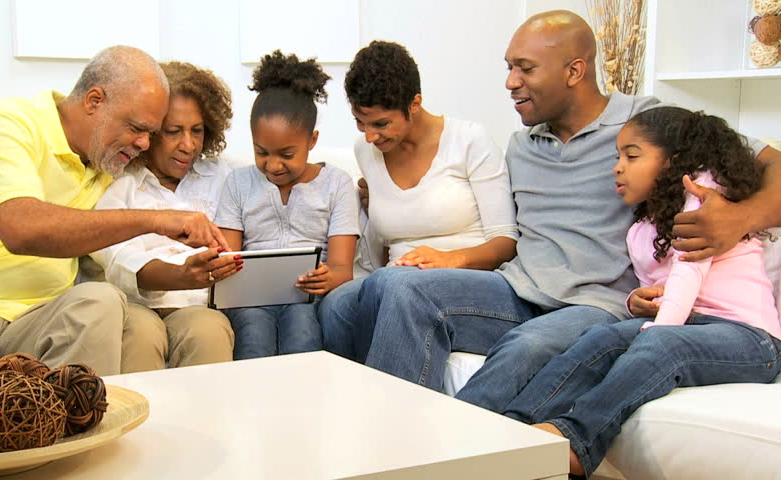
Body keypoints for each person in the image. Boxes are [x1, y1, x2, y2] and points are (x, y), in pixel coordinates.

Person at [341, 10, 781, 398]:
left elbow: (768, 162)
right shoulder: (520, 145)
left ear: (574, 71)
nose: (510, 82)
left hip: (597, 304)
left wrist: (740, 216)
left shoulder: (646, 124)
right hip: (515, 290)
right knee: (398, 286)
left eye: (525, 68)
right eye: (509, 67)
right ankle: (393, 449)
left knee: (526, 347)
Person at [499, 107, 781, 477]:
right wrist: (637, 303)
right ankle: (512, 428)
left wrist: (660, 327)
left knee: (662, 345)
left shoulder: (704, 197)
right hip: (690, 323)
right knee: (601, 338)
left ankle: (577, 441)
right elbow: (658, 285)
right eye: (618, 156)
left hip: (751, 338)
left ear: (673, 162)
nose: (618, 167)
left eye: (631, 156)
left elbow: (688, 273)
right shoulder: (645, 223)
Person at [0, 46, 227, 381]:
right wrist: (156, 220)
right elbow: (21, 229)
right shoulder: (7, 125)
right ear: (94, 101)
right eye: (136, 128)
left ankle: (79, 431)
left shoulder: (107, 165)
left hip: (38, 321)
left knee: (101, 299)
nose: (145, 143)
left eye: (152, 133)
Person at [319, 40, 519, 361]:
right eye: (360, 122)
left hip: (469, 279)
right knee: (337, 306)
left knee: (395, 285)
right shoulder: (367, 151)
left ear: (414, 104)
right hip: (395, 279)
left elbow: (506, 241)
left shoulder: (469, 140)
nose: (370, 136)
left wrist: (449, 259)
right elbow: (383, 239)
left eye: (381, 123)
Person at [90, 61, 239, 371]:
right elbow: (112, 255)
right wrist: (179, 274)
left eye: (197, 131)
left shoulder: (223, 176)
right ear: (149, 132)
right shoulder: (121, 179)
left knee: (209, 332)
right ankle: (140, 420)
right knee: (141, 335)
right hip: (136, 304)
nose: (188, 145)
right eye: (173, 132)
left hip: (198, 305)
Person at [214, 51, 360, 360]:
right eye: (261, 152)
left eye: (286, 153)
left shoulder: (337, 184)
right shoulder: (238, 184)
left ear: (312, 140)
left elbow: (342, 270)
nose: (273, 165)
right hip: (250, 298)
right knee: (253, 333)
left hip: (307, 297)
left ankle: (301, 406)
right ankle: (254, 408)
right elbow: (227, 261)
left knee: (302, 329)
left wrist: (325, 278)